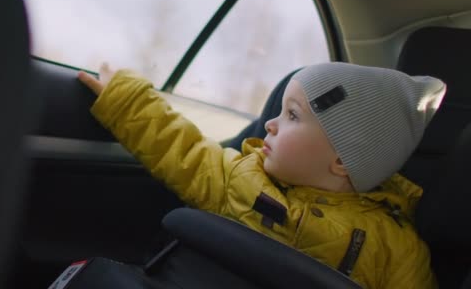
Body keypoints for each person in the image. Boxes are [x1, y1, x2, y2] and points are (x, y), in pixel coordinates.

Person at [78, 62, 446, 289]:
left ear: (342, 159)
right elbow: (180, 147)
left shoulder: (396, 248)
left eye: (292, 115)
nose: (269, 123)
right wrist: (126, 100)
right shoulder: (241, 177)